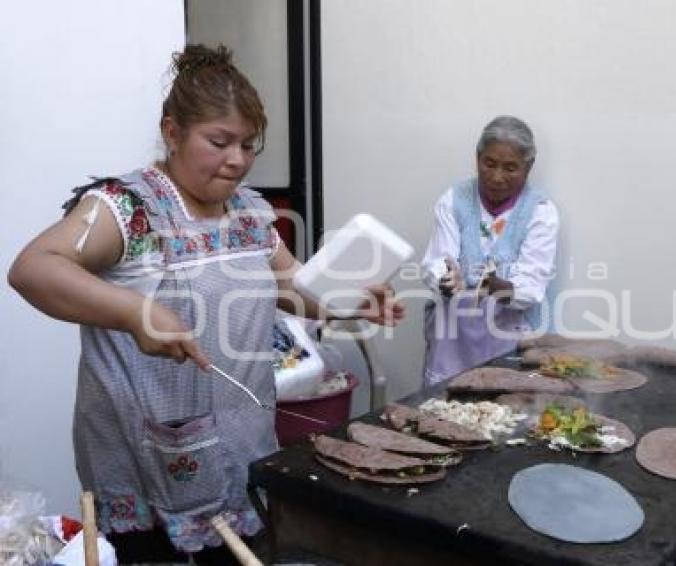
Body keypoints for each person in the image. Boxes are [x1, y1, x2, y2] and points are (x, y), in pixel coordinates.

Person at [7, 44, 403, 564]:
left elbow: (290, 289)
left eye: (248, 144)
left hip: (240, 435)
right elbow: (33, 268)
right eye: (219, 142)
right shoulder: (126, 209)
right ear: (172, 132)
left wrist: (350, 304)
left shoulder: (249, 213)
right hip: (141, 450)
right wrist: (135, 312)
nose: (237, 159)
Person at [421, 116, 559, 386]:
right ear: (477, 158)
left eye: (510, 168)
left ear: (528, 167)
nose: (497, 177)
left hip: (509, 334)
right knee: (443, 411)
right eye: (489, 164)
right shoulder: (453, 200)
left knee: (504, 412)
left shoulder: (540, 211)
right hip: (453, 335)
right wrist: (447, 280)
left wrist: (491, 285)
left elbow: (531, 287)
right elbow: (438, 261)